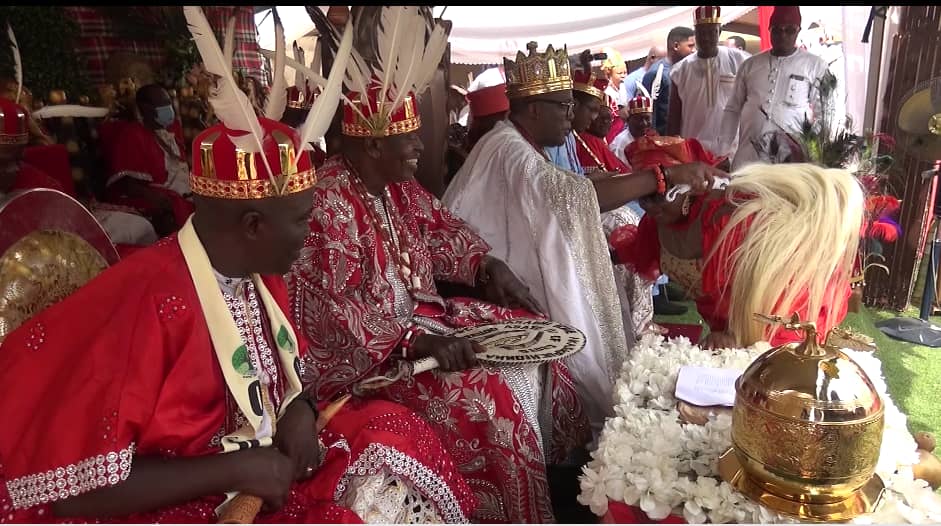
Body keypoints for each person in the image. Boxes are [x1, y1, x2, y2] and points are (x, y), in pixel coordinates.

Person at [0, 95, 476, 524]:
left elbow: (286, 377)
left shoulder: (260, 270)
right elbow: (76, 493)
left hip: (259, 466)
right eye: (302, 220)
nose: (311, 233)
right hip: (180, 497)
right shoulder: (149, 303)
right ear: (253, 225)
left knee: (397, 433)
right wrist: (233, 468)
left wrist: (297, 409)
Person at [288, 19, 588, 521]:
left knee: (543, 345)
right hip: (377, 362)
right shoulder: (329, 203)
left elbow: (443, 230)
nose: (420, 148)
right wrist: (414, 342)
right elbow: (330, 317)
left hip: (430, 325)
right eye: (407, 140)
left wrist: (486, 265)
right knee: (491, 397)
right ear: (372, 146)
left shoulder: (397, 187)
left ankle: (554, 481)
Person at [443, 41, 724, 436]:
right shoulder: (509, 148)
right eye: (563, 106)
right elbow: (571, 197)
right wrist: (665, 176)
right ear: (535, 108)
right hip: (486, 284)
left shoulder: (520, 142)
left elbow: (568, 190)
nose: (571, 115)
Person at [610, 137, 862, 349]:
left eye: (658, 194)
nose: (649, 206)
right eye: (643, 197)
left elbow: (774, 289)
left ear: (688, 186)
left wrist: (737, 336)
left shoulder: (725, 219)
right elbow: (635, 253)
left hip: (773, 324)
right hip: (723, 330)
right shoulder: (653, 226)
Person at [570, 74, 657, 335]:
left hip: (591, 202)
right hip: (581, 208)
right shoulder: (573, 137)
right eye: (594, 112)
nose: (599, 119)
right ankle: (637, 320)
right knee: (628, 223)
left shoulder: (578, 137)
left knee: (639, 221)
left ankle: (641, 315)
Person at [718, 6, 829, 170]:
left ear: (798, 31)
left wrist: (810, 149)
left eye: (789, 30)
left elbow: (826, 114)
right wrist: (723, 152)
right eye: (777, 30)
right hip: (748, 155)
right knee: (741, 193)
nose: (782, 35)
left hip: (791, 159)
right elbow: (733, 109)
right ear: (770, 30)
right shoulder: (750, 65)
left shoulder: (814, 65)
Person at [98, 84, 195, 235]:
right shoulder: (132, 135)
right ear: (145, 109)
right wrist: (156, 197)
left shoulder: (171, 128)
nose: (168, 109)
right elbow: (129, 185)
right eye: (161, 105)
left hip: (185, 191)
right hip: (156, 195)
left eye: (168, 103)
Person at [668, 6, 750, 156]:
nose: (706, 38)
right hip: (695, 152)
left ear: (719, 32)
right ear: (695, 34)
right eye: (701, 32)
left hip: (734, 150)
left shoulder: (740, 61)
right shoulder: (680, 71)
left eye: (711, 32)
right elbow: (674, 117)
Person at [642, 26, 696, 135]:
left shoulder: (688, 70)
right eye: (690, 46)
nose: (694, 50)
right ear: (676, 46)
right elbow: (648, 112)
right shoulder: (657, 73)